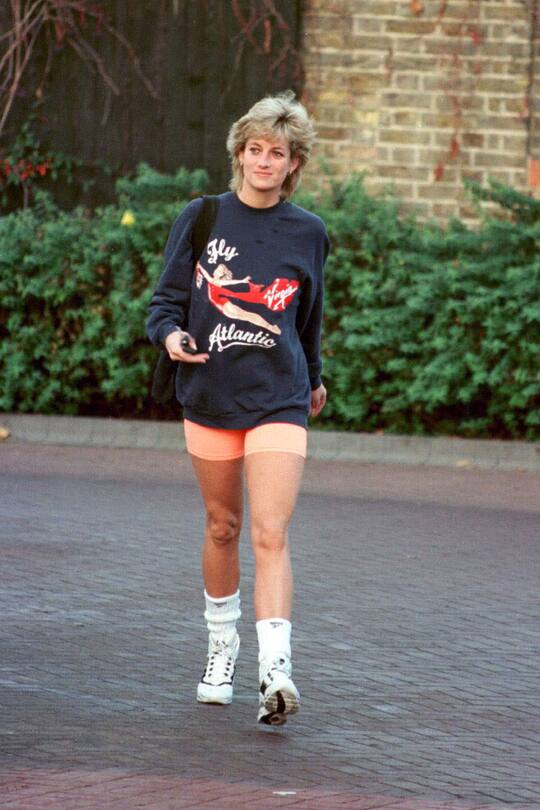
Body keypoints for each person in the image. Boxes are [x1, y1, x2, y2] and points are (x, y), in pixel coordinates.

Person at [147, 90, 329, 726]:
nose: (263, 161)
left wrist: (315, 377)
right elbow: (164, 303)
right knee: (223, 525)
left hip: (281, 394)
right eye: (255, 149)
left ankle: (275, 672)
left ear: (292, 165)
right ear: (239, 154)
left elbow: (310, 318)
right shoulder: (202, 218)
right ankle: (220, 650)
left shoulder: (309, 233)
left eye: (277, 153)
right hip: (210, 393)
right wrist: (172, 337)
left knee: (270, 531)